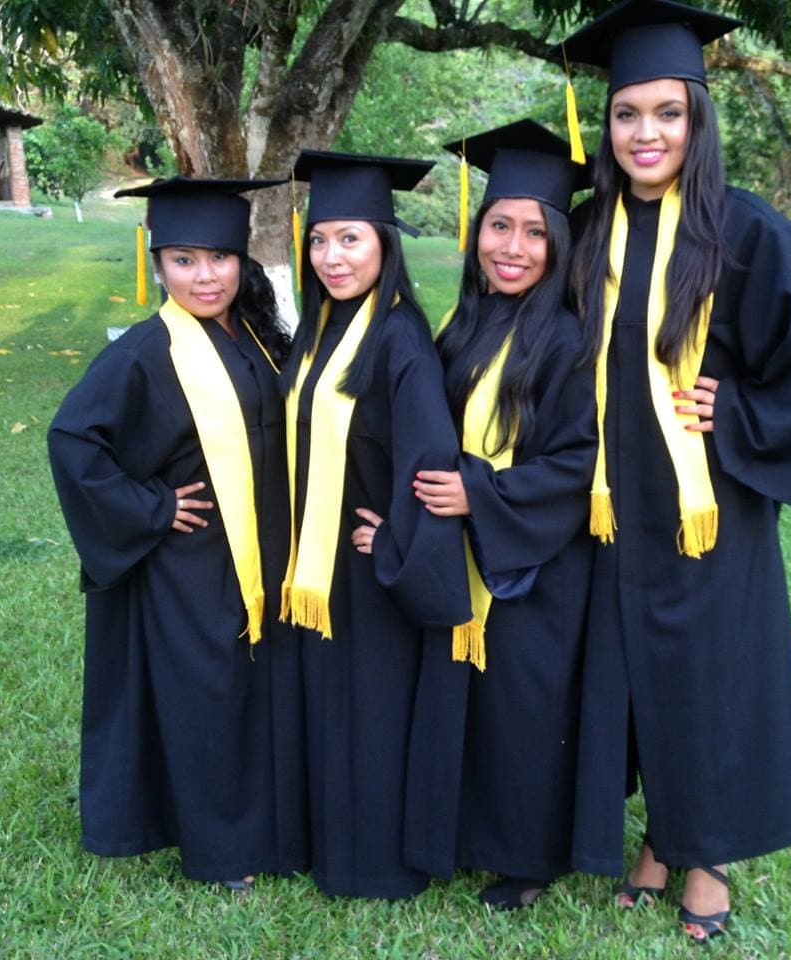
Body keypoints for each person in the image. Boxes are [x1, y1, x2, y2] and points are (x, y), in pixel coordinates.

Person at [564, 0, 791, 941]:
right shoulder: (586, 229)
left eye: (667, 112)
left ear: (697, 119)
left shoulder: (737, 227)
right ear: (608, 124)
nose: (645, 132)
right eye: (627, 114)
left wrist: (741, 411)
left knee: (702, 676)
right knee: (624, 670)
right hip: (610, 500)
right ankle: (658, 839)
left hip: (707, 503)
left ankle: (706, 860)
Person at [47, 177, 308, 888]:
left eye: (219, 258)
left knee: (254, 690)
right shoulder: (144, 350)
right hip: (191, 563)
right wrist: (153, 508)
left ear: (242, 261)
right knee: (210, 695)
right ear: (158, 263)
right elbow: (73, 441)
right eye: (184, 259)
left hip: (260, 550)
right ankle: (222, 854)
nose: (204, 275)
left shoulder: (252, 330)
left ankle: (271, 827)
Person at [402, 121, 597, 910]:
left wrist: (478, 494)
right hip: (463, 552)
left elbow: (578, 464)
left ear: (558, 242)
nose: (511, 247)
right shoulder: (462, 324)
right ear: (475, 230)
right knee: (466, 697)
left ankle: (528, 858)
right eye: (497, 225)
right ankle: (457, 830)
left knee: (523, 707)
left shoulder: (568, 340)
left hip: (536, 565)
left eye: (533, 232)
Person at [281, 150, 471, 899]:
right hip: (319, 569)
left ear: (385, 246)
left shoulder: (399, 342)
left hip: (368, 575)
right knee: (335, 711)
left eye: (351, 239)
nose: (332, 257)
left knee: (371, 715)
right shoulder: (323, 329)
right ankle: (328, 842)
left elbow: (431, 463)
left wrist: (394, 544)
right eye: (320, 240)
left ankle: (376, 866)